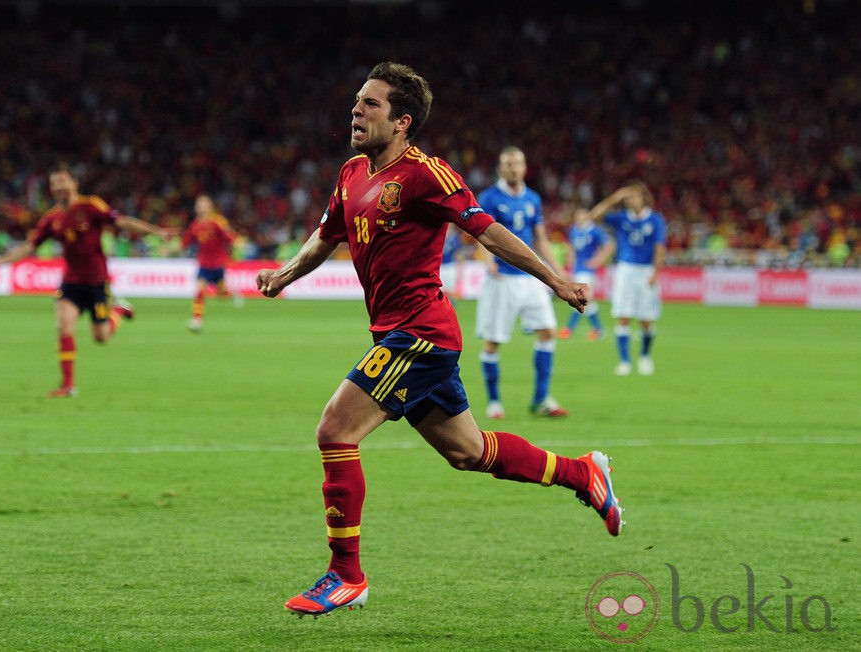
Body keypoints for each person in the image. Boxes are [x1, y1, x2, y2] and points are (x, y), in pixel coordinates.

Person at [256, 62, 625, 619]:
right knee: (469, 452)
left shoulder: (427, 174)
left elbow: (487, 229)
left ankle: (345, 574)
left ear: (402, 121)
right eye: (357, 100)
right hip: (402, 334)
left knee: (335, 429)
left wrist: (554, 279)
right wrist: (284, 275)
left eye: (371, 104)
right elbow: (326, 235)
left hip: (421, 335)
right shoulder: (352, 172)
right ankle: (583, 472)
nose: (356, 110)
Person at [0, 165, 175, 397]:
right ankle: (68, 385)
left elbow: (121, 221)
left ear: (74, 183)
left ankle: (119, 310)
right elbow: (30, 246)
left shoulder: (90, 206)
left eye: (62, 181)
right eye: (54, 183)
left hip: (97, 282)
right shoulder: (52, 219)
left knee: (100, 337)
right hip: (71, 282)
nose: (58, 186)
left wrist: (155, 231)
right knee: (64, 325)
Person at [475, 146, 568, 420]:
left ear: (525, 167)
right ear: (500, 168)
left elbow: (540, 237)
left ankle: (541, 399)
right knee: (493, 342)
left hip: (530, 278)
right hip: (502, 279)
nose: (514, 168)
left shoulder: (532, 198)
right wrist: (487, 260)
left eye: (518, 163)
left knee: (548, 332)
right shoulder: (490, 197)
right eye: (508, 164)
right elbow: (480, 231)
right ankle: (494, 402)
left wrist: (558, 272)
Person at [587, 182, 666, 376]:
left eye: (633, 196)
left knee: (646, 319)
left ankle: (645, 356)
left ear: (643, 198)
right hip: (625, 270)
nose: (629, 200)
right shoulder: (621, 218)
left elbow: (660, 247)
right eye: (628, 197)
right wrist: (614, 198)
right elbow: (592, 217)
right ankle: (624, 361)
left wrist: (656, 271)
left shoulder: (655, 220)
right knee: (623, 316)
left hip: (646, 270)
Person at [181, 193, 242, 333]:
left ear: (210, 206)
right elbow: (186, 240)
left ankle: (231, 293)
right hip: (203, 263)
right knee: (200, 290)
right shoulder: (195, 225)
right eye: (199, 205)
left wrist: (237, 242)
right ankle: (197, 320)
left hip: (219, 263)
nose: (201, 207)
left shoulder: (217, 221)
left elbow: (228, 235)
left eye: (204, 204)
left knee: (221, 294)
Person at [559, 207, 614, 341]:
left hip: (588, 271)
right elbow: (570, 248)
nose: (579, 219)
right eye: (578, 216)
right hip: (577, 269)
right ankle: (598, 329)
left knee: (580, 298)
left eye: (582, 216)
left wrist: (598, 260)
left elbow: (610, 244)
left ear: (587, 217)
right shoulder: (573, 230)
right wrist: (570, 266)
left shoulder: (595, 231)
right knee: (588, 301)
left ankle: (568, 329)